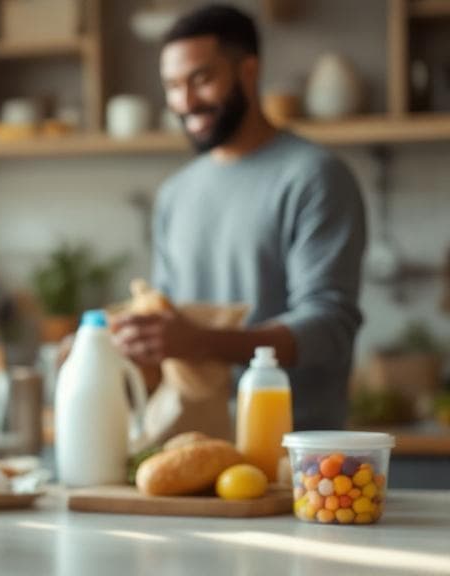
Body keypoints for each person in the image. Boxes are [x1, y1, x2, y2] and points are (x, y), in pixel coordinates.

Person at [111, 4, 366, 431]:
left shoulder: (314, 176)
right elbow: (171, 322)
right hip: (192, 441)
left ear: (248, 71)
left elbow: (328, 326)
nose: (185, 101)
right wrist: (121, 344)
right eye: (172, 86)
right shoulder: (176, 193)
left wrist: (203, 343)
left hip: (295, 453)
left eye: (202, 79)